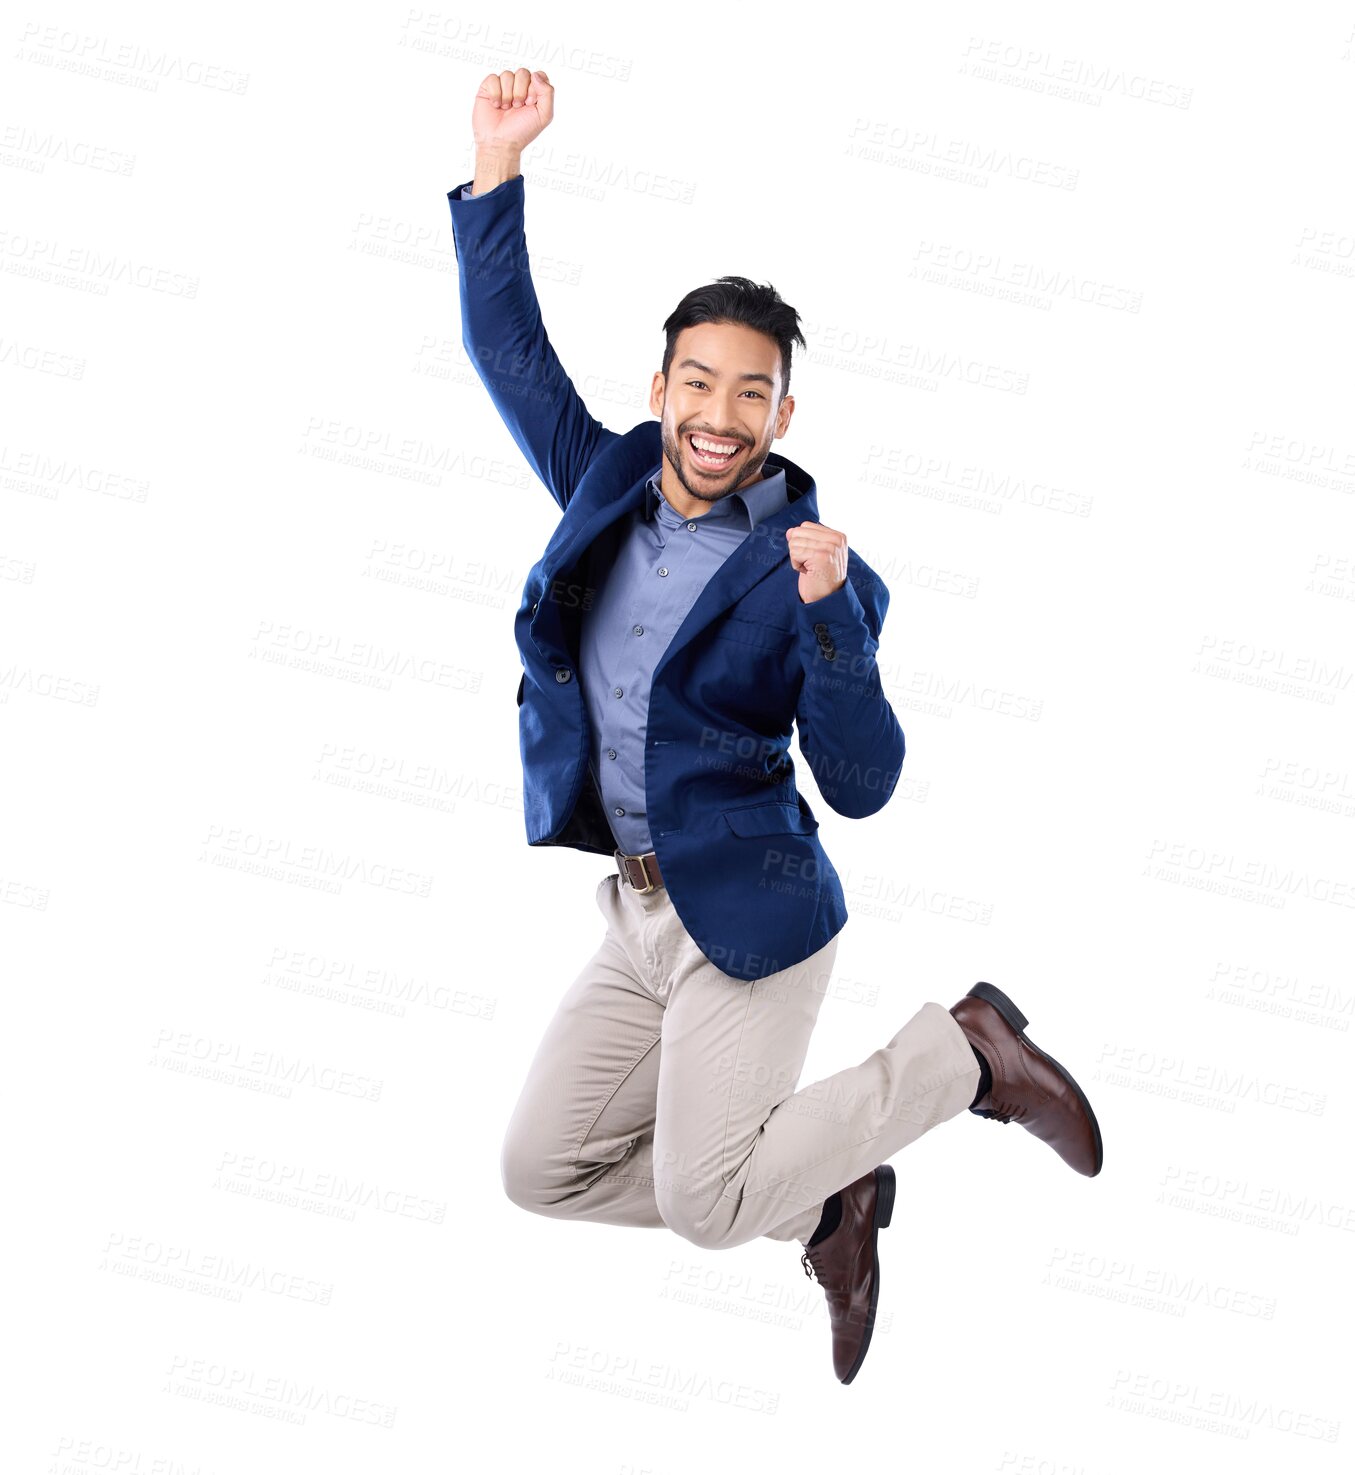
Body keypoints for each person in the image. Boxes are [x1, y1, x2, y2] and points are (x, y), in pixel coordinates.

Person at [447, 67, 1103, 1385]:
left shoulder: (818, 568)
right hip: (635, 917)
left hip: (751, 917)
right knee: (541, 1170)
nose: (718, 415)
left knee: (700, 1206)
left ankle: (961, 1057)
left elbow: (864, 783)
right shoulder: (605, 482)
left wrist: (830, 624)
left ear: (782, 415)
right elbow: (509, 351)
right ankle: (826, 1206)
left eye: (751, 394)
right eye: (699, 384)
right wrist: (498, 166)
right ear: (664, 386)